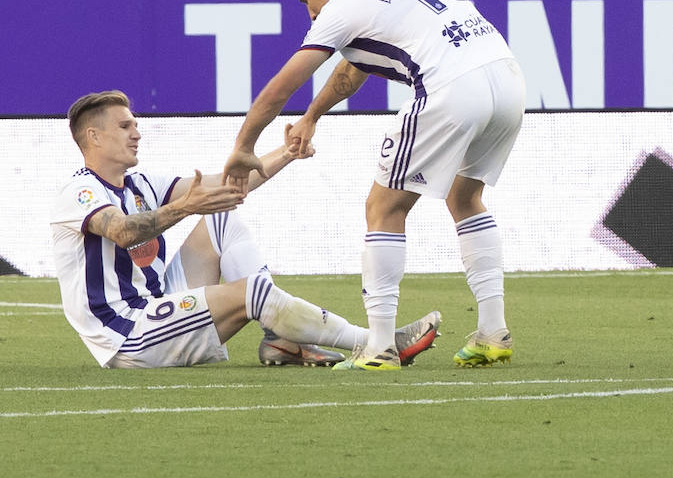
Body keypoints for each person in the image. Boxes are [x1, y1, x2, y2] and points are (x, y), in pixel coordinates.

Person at [224, 0, 524, 371]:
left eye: (306, 0)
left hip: (452, 88)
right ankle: (493, 333)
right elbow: (351, 70)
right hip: (508, 80)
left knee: (383, 207)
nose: (308, 12)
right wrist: (312, 116)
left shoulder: (342, 7)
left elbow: (280, 86)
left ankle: (380, 347)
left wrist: (243, 148)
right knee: (465, 198)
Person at [50, 90, 440, 369]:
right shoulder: (79, 191)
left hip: (156, 302)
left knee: (221, 216)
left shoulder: (141, 184)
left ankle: (280, 340)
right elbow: (121, 231)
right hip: (128, 334)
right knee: (251, 290)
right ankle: (375, 343)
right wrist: (184, 206)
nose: (137, 132)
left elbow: (229, 186)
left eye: (135, 124)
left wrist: (286, 153)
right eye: (124, 126)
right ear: (93, 137)